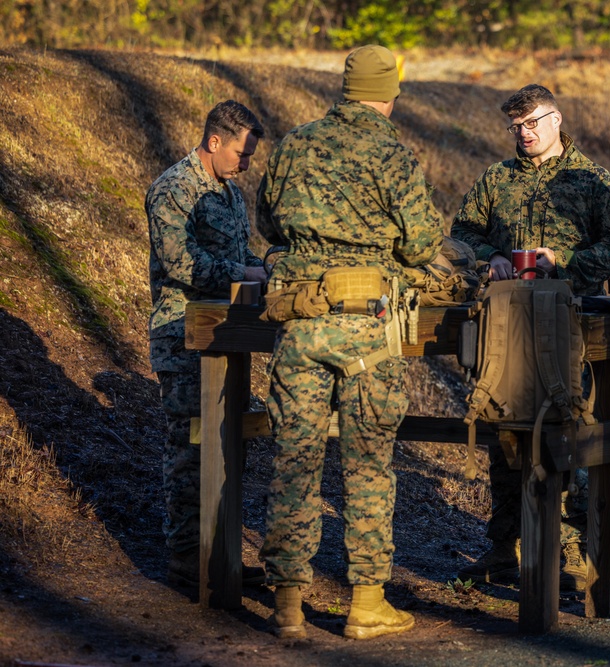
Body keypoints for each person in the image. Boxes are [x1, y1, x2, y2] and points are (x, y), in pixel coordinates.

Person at [255, 44, 444, 640]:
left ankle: (287, 604)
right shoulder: (393, 153)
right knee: (368, 468)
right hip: (368, 332)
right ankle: (366, 604)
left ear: (344, 87)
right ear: (391, 92)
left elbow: (267, 222)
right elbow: (419, 244)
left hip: (302, 322)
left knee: (294, 461)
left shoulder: (292, 144)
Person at [451, 83, 610, 592]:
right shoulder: (497, 179)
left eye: (532, 123)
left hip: (571, 326)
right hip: (507, 324)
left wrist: (568, 261)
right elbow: (461, 232)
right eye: (516, 127)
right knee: (504, 431)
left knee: (567, 430)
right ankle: (505, 544)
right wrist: (488, 254)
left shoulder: (592, 180)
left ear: (556, 120)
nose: (524, 134)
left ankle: (572, 549)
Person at [146, 99, 268, 589]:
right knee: (190, 448)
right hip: (183, 337)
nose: (245, 165)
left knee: (229, 443)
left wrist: (268, 263)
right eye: (241, 154)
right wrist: (246, 272)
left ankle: (222, 556)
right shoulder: (173, 189)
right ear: (214, 142)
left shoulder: (228, 191)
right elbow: (182, 263)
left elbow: (238, 253)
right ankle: (186, 559)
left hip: (228, 334)